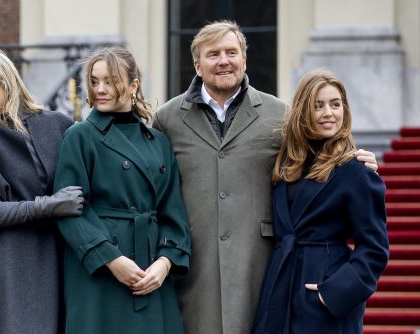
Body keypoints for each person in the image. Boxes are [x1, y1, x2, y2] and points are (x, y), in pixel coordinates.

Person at [151, 20, 379, 334]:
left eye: (231, 52)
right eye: (213, 54)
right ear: (197, 64)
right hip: (195, 271)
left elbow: (317, 153)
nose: (224, 61)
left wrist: (354, 158)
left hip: (265, 269)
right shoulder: (166, 119)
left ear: (244, 59)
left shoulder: (279, 115)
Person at [54, 47, 191, 334]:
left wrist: (164, 264)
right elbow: (69, 210)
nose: (100, 89)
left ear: (133, 85)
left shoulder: (158, 141)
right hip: (99, 274)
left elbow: (173, 212)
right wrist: (112, 260)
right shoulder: (79, 136)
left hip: (151, 272)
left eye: (111, 81)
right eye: (94, 81)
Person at [251, 69, 389, 333]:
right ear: (303, 112)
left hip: (323, 292)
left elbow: (375, 248)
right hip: (280, 286)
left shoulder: (357, 170)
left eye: (335, 105)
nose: (329, 113)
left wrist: (335, 291)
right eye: (318, 106)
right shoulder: (287, 164)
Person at [0, 42, 83, 334]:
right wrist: (47, 206)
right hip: (10, 264)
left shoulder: (59, 125)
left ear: (3, 79)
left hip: (58, 258)